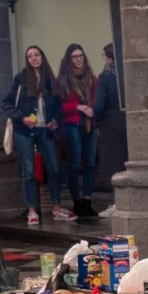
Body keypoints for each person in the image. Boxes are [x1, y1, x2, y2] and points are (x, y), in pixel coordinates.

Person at [2, 45, 74, 225]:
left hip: (45, 129)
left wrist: (55, 121)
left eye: (37, 55)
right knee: (28, 171)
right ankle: (32, 210)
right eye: (30, 56)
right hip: (24, 130)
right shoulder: (20, 79)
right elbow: (7, 104)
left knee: (54, 168)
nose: (34, 58)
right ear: (27, 60)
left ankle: (57, 208)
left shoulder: (50, 80)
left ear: (42, 57)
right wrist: (22, 118)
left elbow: (57, 107)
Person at [56, 43, 98, 217]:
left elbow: (97, 98)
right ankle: (76, 201)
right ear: (69, 59)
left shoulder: (92, 78)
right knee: (74, 163)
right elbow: (59, 106)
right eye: (75, 57)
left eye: (81, 56)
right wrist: (78, 107)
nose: (78, 59)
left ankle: (87, 199)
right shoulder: (63, 80)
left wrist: (92, 108)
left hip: (90, 124)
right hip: (72, 124)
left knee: (89, 163)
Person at [93, 43, 127, 215]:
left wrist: (95, 118)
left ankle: (116, 203)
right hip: (127, 122)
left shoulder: (106, 76)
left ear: (108, 57)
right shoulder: (126, 73)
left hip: (110, 125)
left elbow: (99, 105)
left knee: (114, 165)